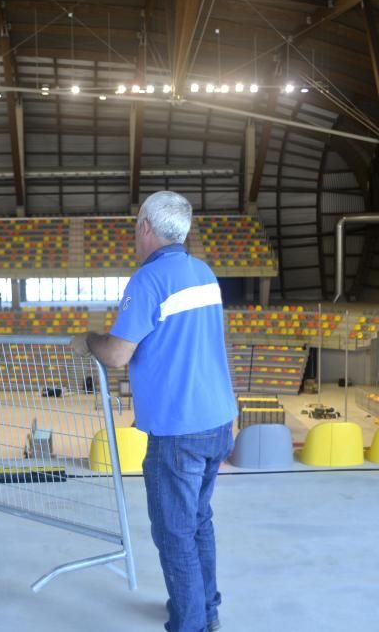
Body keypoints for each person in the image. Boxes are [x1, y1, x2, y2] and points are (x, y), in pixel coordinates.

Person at [70, 191, 237, 632]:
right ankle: (207, 610)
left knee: (173, 532)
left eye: (135, 226)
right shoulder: (203, 273)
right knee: (198, 520)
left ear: (146, 226)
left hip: (178, 430)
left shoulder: (148, 280)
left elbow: (118, 354)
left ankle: (192, 625)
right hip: (218, 419)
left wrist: (87, 339)